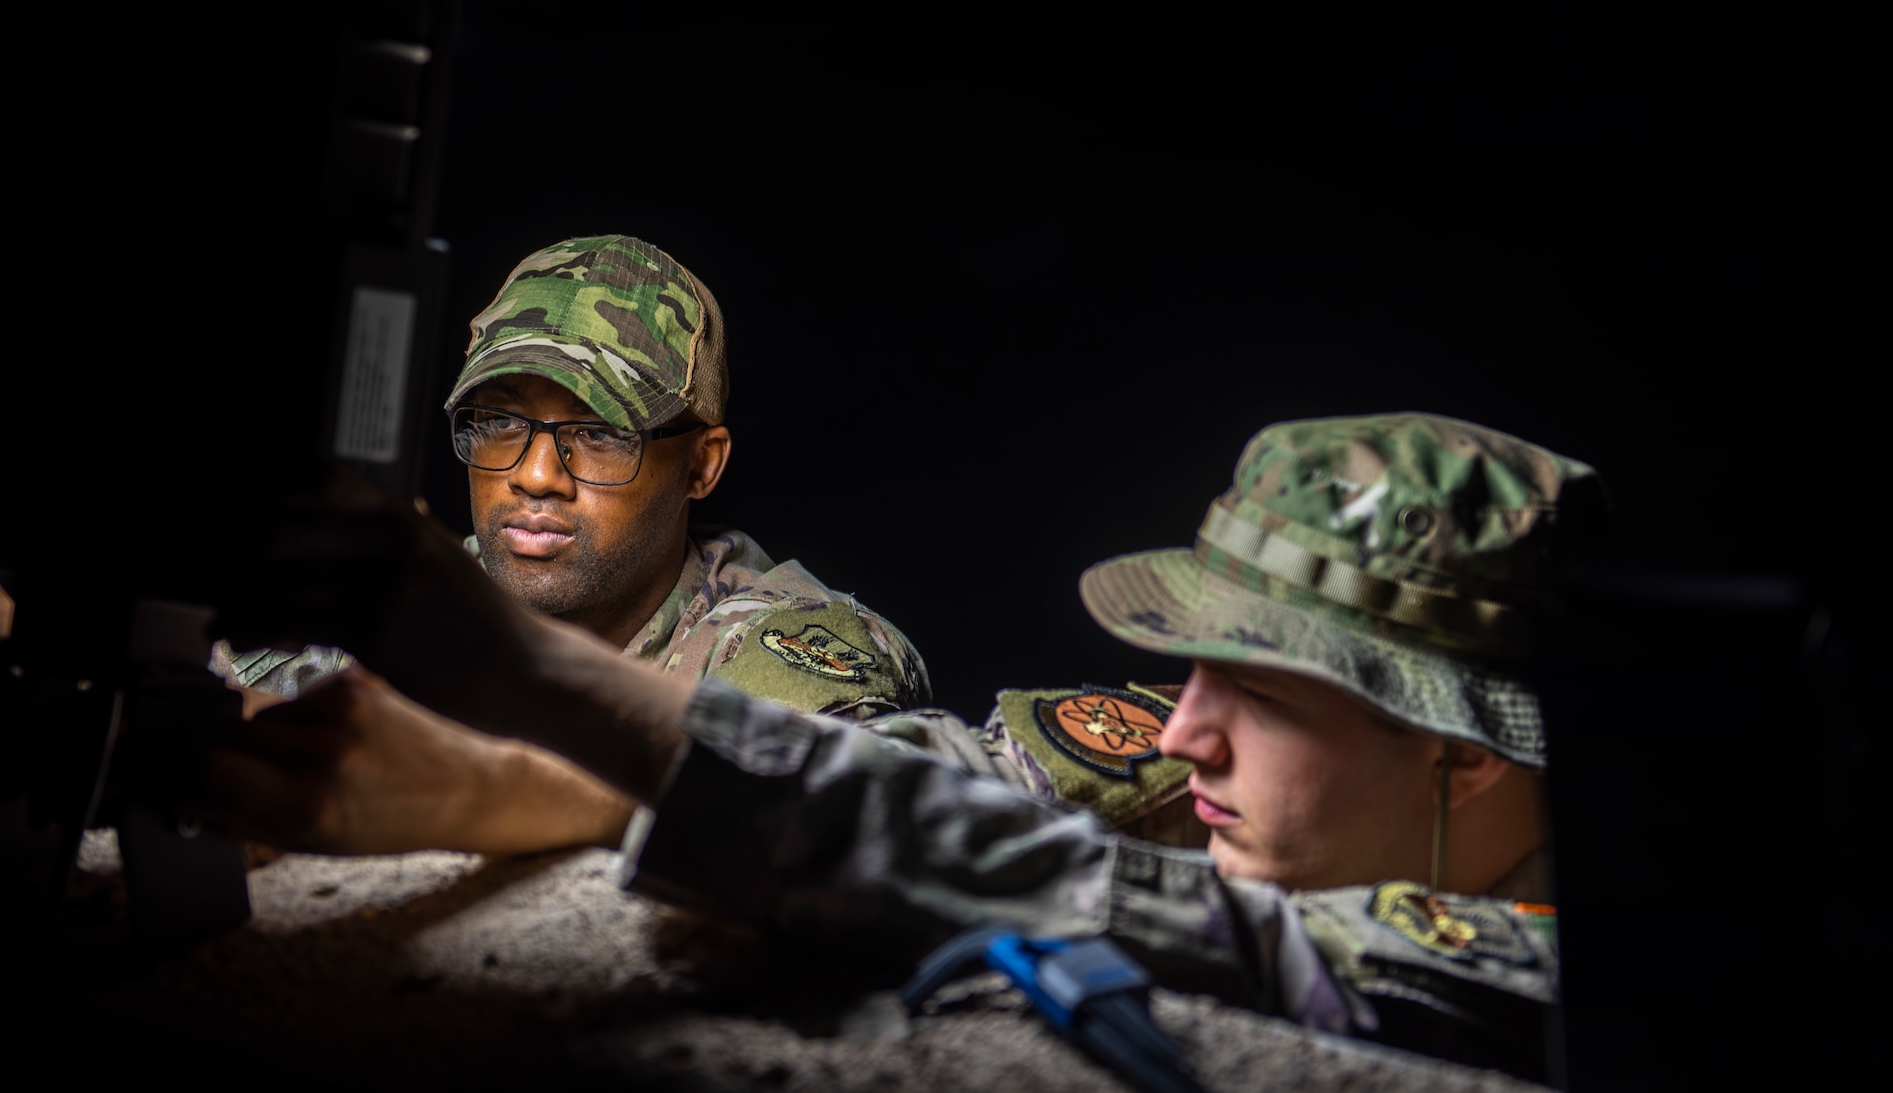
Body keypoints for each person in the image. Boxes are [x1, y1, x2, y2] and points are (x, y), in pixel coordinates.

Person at [207, 413, 1601, 1077]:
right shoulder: (1240, 771)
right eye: (1190, 671)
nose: (1187, 732)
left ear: (1464, 749)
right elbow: (948, 781)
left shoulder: (1611, 963)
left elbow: (1106, 901)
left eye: (1271, 700)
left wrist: (527, 677)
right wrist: (533, 781)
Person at [217, 232, 926, 853]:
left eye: (600, 433)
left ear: (702, 465)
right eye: (499, 419)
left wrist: (483, 787)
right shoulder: (404, 592)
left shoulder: (777, 639)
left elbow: (857, 810)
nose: (534, 474)